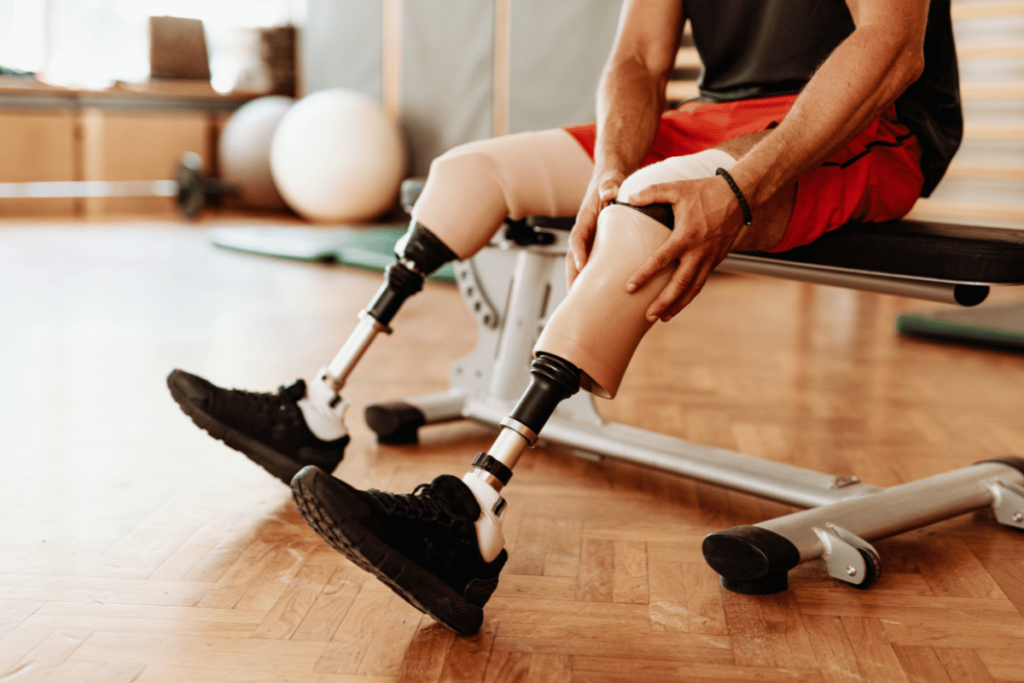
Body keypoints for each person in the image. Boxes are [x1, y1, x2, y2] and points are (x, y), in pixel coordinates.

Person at [168, 0, 961, 636]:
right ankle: (318, 406)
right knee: (467, 173)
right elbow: (640, 59)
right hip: (717, 115)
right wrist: (612, 166)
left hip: (868, 124)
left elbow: (895, 46)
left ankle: (472, 513)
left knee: (645, 214)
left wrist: (742, 186)